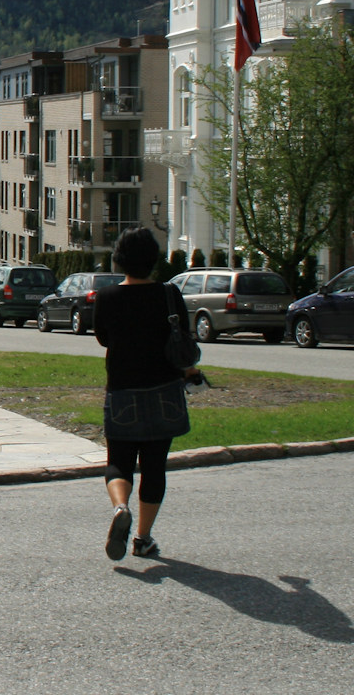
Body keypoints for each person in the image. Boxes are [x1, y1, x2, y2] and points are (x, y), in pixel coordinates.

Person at [94, 227, 202, 561]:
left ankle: (120, 508)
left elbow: (103, 339)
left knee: (119, 463)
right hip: (165, 392)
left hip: (123, 392)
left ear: (119, 259)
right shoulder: (169, 294)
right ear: (153, 260)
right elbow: (181, 339)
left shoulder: (107, 297)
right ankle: (142, 537)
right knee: (154, 467)